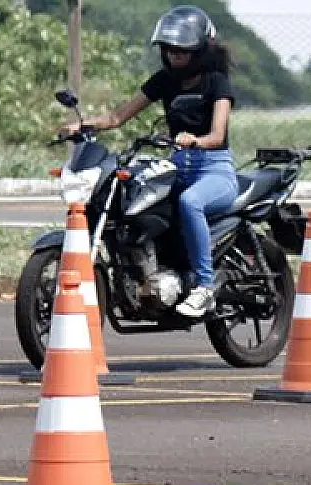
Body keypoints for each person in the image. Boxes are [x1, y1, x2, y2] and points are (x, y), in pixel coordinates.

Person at [60, 5, 237, 319]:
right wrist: (84, 126)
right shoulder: (164, 81)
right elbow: (117, 117)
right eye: (169, 51)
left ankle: (205, 287)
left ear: (198, 51)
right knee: (139, 201)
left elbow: (217, 134)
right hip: (179, 167)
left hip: (214, 168)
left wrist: (194, 140)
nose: (173, 57)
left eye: (181, 52)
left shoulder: (216, 83)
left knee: (190, 202)